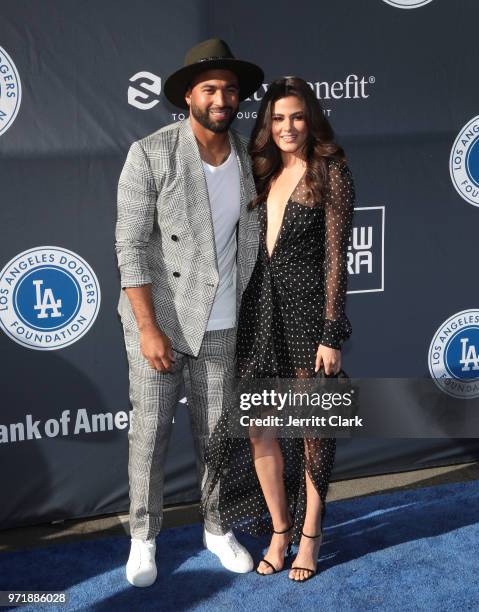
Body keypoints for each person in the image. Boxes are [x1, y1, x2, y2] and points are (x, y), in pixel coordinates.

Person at [115, 38, 263, 586]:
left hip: (223, 321)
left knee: (217, 433)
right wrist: (149, 327)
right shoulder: (150, 153)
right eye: (210, 89)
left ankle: (217, 526)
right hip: (161, 322)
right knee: (150, 435)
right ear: (188, 98)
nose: (221, 97)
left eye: (229, 89)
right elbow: (128, 247)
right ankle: (142, 537)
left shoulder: (251, 155)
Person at [201, 76, 355, 582]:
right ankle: (279, 530)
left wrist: (332, 332)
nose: (288, 127)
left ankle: (311, 533)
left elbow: (337, 259)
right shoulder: (260, 170)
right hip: (257, 315)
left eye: (297, 116)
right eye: (278, 118)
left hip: (309, 316)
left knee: (314, 428)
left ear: (310, 119)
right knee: (259, 428)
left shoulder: (330, 170)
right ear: (268, 124)